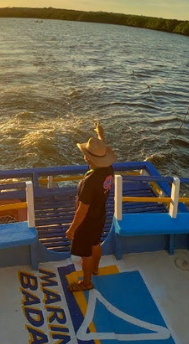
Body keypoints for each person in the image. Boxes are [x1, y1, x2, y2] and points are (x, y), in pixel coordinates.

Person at [66, 121, 116, 292]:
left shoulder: (90, 182)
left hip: (86, 221)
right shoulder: (108, 169)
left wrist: (72, 229)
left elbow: (82, 209)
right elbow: (102, 150)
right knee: (95, 243)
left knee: (85, 252)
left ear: (88, 158)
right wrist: (100, 134)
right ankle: (95, 268)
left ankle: (86, 283)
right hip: (100, 214)